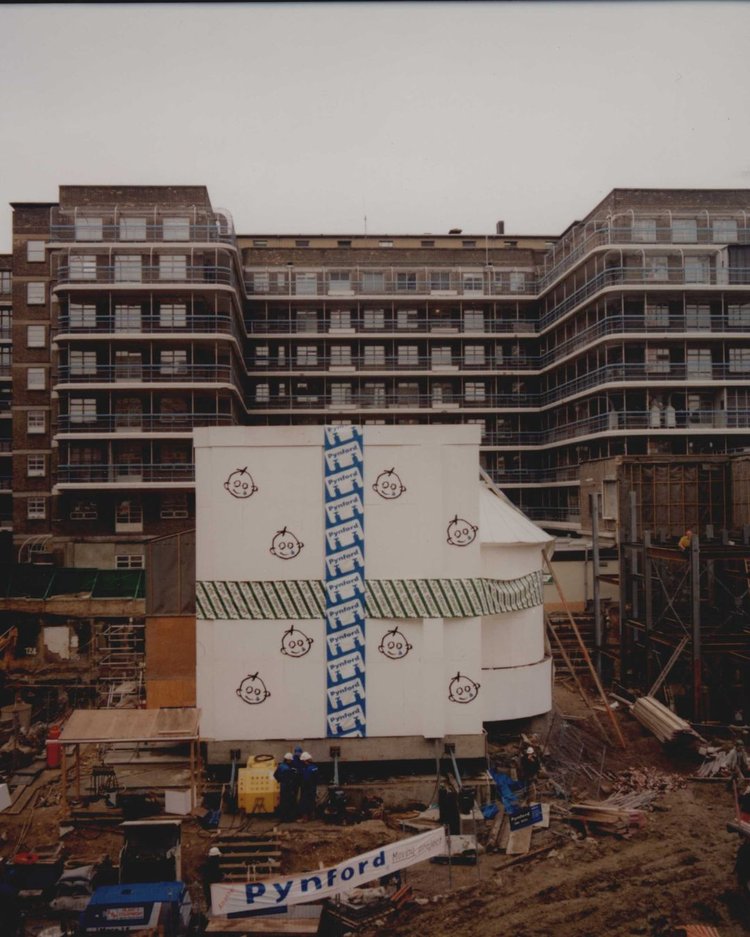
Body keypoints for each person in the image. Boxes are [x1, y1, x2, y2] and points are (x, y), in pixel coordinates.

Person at [274, 752, 299, 822]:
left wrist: (280, 781)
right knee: (288, 803)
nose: (291, 761)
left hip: (282, 787)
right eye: (290, 760)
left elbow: (275, 775)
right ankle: (288, 818)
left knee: (283, 802)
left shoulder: (280, 766)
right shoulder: (287, 769)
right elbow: (290, 780)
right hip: (288, 788)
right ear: (288, 760)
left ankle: (282, 817)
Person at [298, 751, 319, 821]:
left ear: (306, 761)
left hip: (306, 788)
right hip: (313, 788)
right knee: (312, 802)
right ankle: (313, 816)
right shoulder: (315, 768)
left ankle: (305, 818)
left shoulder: (307, 769)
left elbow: (305, 779)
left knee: (304, 803)